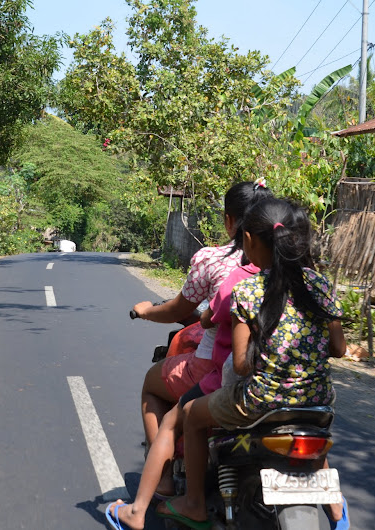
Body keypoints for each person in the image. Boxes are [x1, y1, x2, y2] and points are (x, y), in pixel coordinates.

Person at [155, 197, 350, 530]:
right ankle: (336, 509)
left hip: (261, 401)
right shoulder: (320, 285)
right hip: (319, 402)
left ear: (248, 240)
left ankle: (192, 503)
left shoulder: (247, 290)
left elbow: (243, 366)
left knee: (190, 415)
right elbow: (339, 348)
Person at [106, 260, 260, 530]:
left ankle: (151, 505)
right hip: (310, 394)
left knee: (183, 414)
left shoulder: (241, 282)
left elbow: (232, 356)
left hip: (239, 384)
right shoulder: (312, 285)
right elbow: (338, 347)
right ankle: (334, 504)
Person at [131, 180, 272, 457]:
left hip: (216, 366)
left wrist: (146, 311)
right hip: (274, 366)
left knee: (151, 384)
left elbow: (180, 311)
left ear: (229, 221)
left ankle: (164, 479)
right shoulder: (288, 265)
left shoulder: (215, 261)